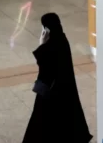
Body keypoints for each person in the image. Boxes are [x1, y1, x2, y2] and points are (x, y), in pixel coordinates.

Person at [23, 13, 93, 142]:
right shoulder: (62, 40)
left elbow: (45, 69)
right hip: (64, 92)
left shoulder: (51, 46)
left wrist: (42, 45)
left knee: (41, 123)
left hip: (50, 94)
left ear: (46, 29)